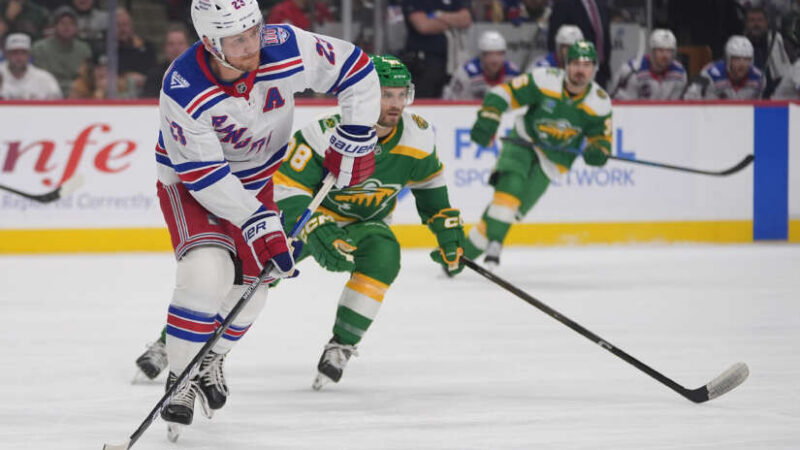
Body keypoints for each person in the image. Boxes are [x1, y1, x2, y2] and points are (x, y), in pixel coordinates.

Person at [152, 0, 379, 440]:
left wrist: (355, 134)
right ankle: (180, 378)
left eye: (254, 31)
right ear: (210, 43)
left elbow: (356, 68)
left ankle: (211, 357)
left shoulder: (285, 44)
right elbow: (205, 177)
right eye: (237, 40)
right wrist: (260, 220)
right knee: (206, 273)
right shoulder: (183, 87)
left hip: (255, 181)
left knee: (254, 290)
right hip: (192, 185)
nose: (252, 45)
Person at [274, 54, 465, 390]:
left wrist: (446, 231)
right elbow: (285, 185)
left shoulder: (418, 136)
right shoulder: (324, 131)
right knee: (253, 272)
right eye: (386, 95)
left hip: (367, 223)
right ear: (364, 95)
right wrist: (314, 226)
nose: (396, 104)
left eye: (401, 94)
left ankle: (341, 345)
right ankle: (197, 343)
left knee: (384, 255)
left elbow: (430, 184)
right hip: (309, 218)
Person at [463, 41, 612, 267]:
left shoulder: (599, 103)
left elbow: (601, 139)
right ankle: (496, 244)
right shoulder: (545, 80)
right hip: (524, 140)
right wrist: (490, 114)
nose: (580, 70)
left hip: (555, 160)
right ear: (566, 65)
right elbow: (504, 93)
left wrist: (598, 151)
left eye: (586, 65)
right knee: (510, 187)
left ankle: (459, 256)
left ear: (595, 69)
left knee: (510, 210)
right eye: (575, 64)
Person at [400, 0, 472, 98]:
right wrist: (453, 22)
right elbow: (424, 26)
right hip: (424, 62)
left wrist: (438, 15)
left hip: (451, 62)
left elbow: (466, 19)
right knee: (425, 100)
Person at [31, 6, 92, 97]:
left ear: (76, 28)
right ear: (54, 26)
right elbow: (34, 77)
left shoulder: (84, 49)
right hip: (46, 93)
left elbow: (86, 79)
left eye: (71, 23)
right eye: (62, 23)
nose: (67, 27)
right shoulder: (39, 48)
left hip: (76, 95)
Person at [609, 28, 687, 100]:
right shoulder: (631, 71)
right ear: (651, 51)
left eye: (669, 51)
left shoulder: (679, 73)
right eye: (660, 50)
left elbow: (678, 104)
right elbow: (622, 103)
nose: (665, 55)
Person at [548, 0, 611, 87]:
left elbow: (604, 37)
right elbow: (555, 39)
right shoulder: (564, 4)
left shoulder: (600, 4)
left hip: (600, 71)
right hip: (575, 72)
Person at [443, 30, 521, 100]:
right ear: (481, 56)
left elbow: (520, 101)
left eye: (499, 54)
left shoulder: (513, 73)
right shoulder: (466, 73)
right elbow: (452, 103)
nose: (495, 59)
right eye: (489, 54)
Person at [684, 35, 764, 100]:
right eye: (736, 59)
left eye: (746, 59)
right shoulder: (710, 75)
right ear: (728, 60)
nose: (742, 64)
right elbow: (690, 101)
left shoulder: (759, 78)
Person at [744, 6, 791, 99]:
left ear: (766, 22)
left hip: (778, 92)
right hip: (749, 92)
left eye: (760, 20)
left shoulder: (779, 41)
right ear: (746, 24)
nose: (756, 24)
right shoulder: (740, 44)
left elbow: (792, 68)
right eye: (752, 20)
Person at [0, 32, 62, 99]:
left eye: (23, 53)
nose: (19, 57)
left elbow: (57, 103)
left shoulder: (45, 78)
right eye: (15, 53)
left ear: (29, 54)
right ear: (6, 54)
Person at [115, 7, 157, 98]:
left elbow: (153, 71)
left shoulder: (146, 47)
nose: (122, 29)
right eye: (118, 25)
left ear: (132, 26)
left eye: (125, 25)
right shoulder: (110, 50)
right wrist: (127, 77)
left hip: (144, 92)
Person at [142, 22, 191, 98]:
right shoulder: (154, 75)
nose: (176, 48)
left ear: (189, 47)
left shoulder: (199, 73)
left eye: (181, 43)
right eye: (171, 44)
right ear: (164, 47)